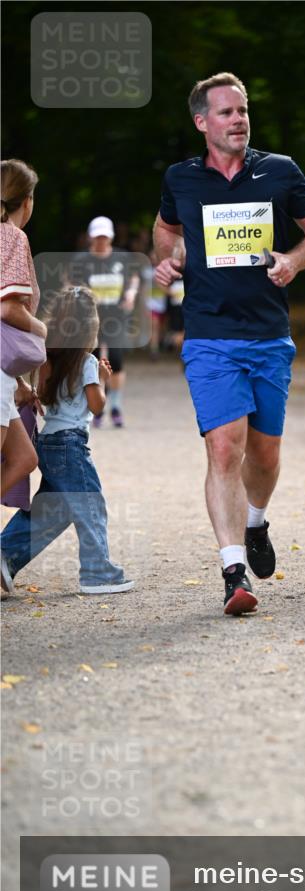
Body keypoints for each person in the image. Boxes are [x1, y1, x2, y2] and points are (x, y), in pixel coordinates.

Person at [152, 71, 305, 615]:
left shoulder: (278, 171)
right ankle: (233, 572)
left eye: (243, 110)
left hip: (269, 335)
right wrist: (171, 257)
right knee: (225, 446)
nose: (239, 120)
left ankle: (256, 519)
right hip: (209, 334)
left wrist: (292, 260)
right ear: (202, 122)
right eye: (227, 113)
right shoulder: (181, 179)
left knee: (265, 453)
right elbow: (165, 229)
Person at [0, 287, 134, 596]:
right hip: (71, 445)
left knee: (53, 510)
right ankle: (97, 573)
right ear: (90, 327)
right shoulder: (87, 362)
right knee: (91, 506)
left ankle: (5, 554)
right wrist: (102, 378)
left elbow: (44, 396)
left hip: (46, 442)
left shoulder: (47, 358)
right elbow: (97, 406)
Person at [1, 159, 46, 511]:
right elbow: (8, 310)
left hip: (4, 372)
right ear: (27, 201)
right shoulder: (12, 236)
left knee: (23, 458)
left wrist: (17, 384)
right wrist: (45, 330)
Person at [70, 216, 140, 428]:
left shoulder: (122, 257)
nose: (101, 241)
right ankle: (96, 406)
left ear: (110, 237)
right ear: (91, 236)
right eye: (98, 237)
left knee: (116, 360)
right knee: (92, 362)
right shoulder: (81, 261)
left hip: (116, 316)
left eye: (105, 237)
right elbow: (70, 282)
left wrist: (131, 294)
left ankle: (116, 406)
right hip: (91, 319)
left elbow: (134, 278)